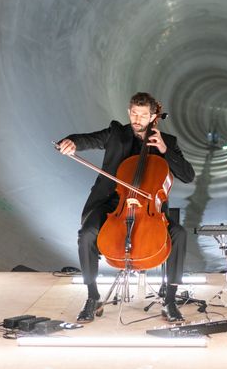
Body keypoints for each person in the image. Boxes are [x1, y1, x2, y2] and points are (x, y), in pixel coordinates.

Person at [56, 92, 196, 323]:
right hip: (112, 203)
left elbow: (187, 176)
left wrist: (164, 150)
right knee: (87, 235)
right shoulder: (115, 133)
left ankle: (170, 301)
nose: (137, 119)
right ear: (128, 112)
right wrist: (70, 142)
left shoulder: (167, 142)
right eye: (134, 113)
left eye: (143, 115)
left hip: (149, 208)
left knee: (178, 234)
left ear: (153, 117)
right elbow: (87, 140)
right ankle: (92, 297)